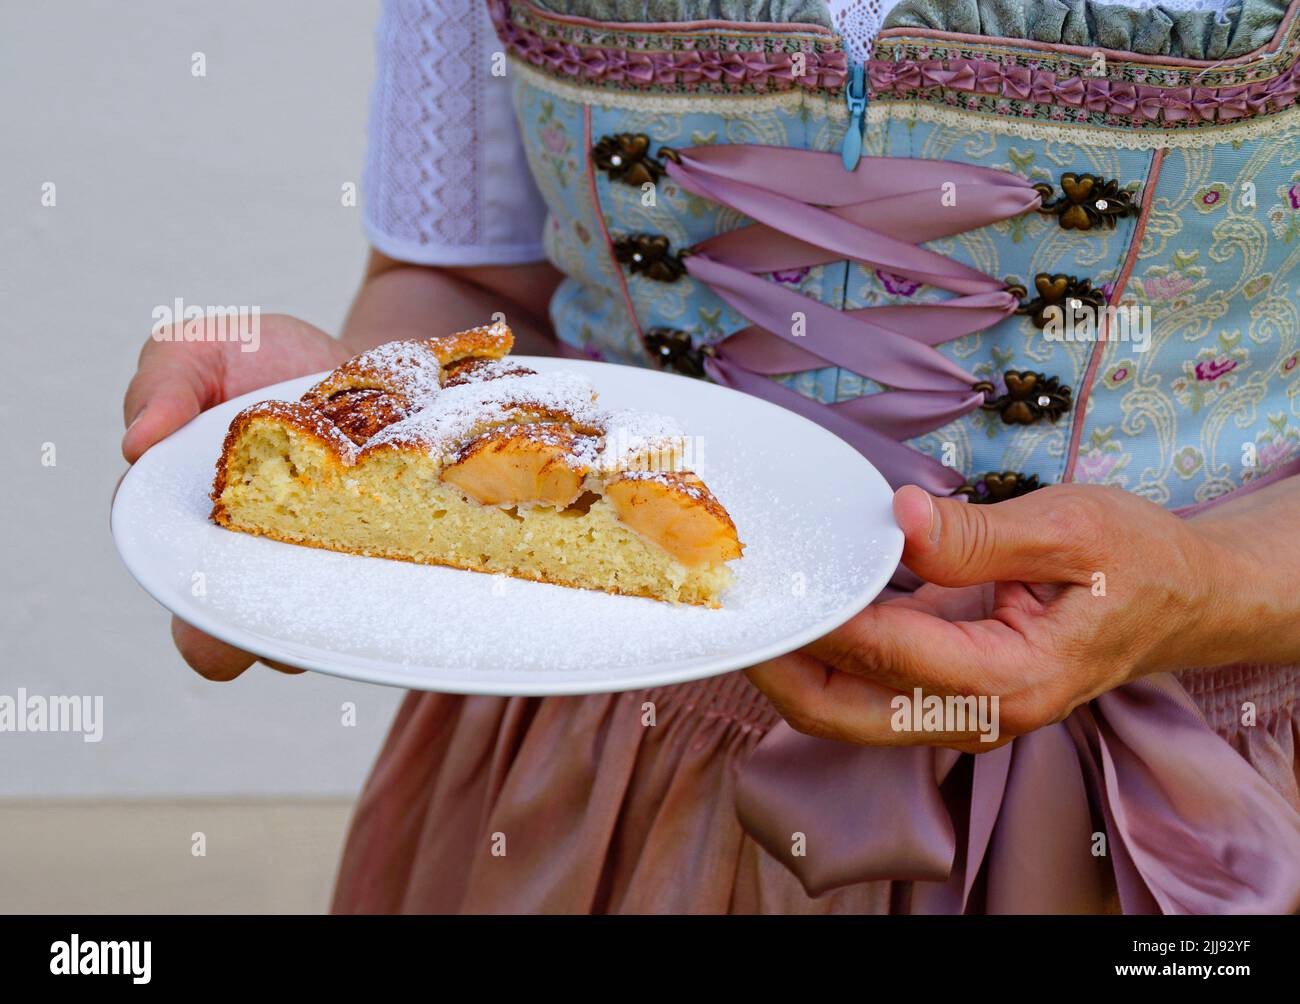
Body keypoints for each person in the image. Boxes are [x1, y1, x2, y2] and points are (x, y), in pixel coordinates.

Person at [121, 0, 1300, 912]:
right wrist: (356, 428)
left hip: (1190, 773)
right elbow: (477, 287)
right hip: (612, 754)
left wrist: (1206, 590)